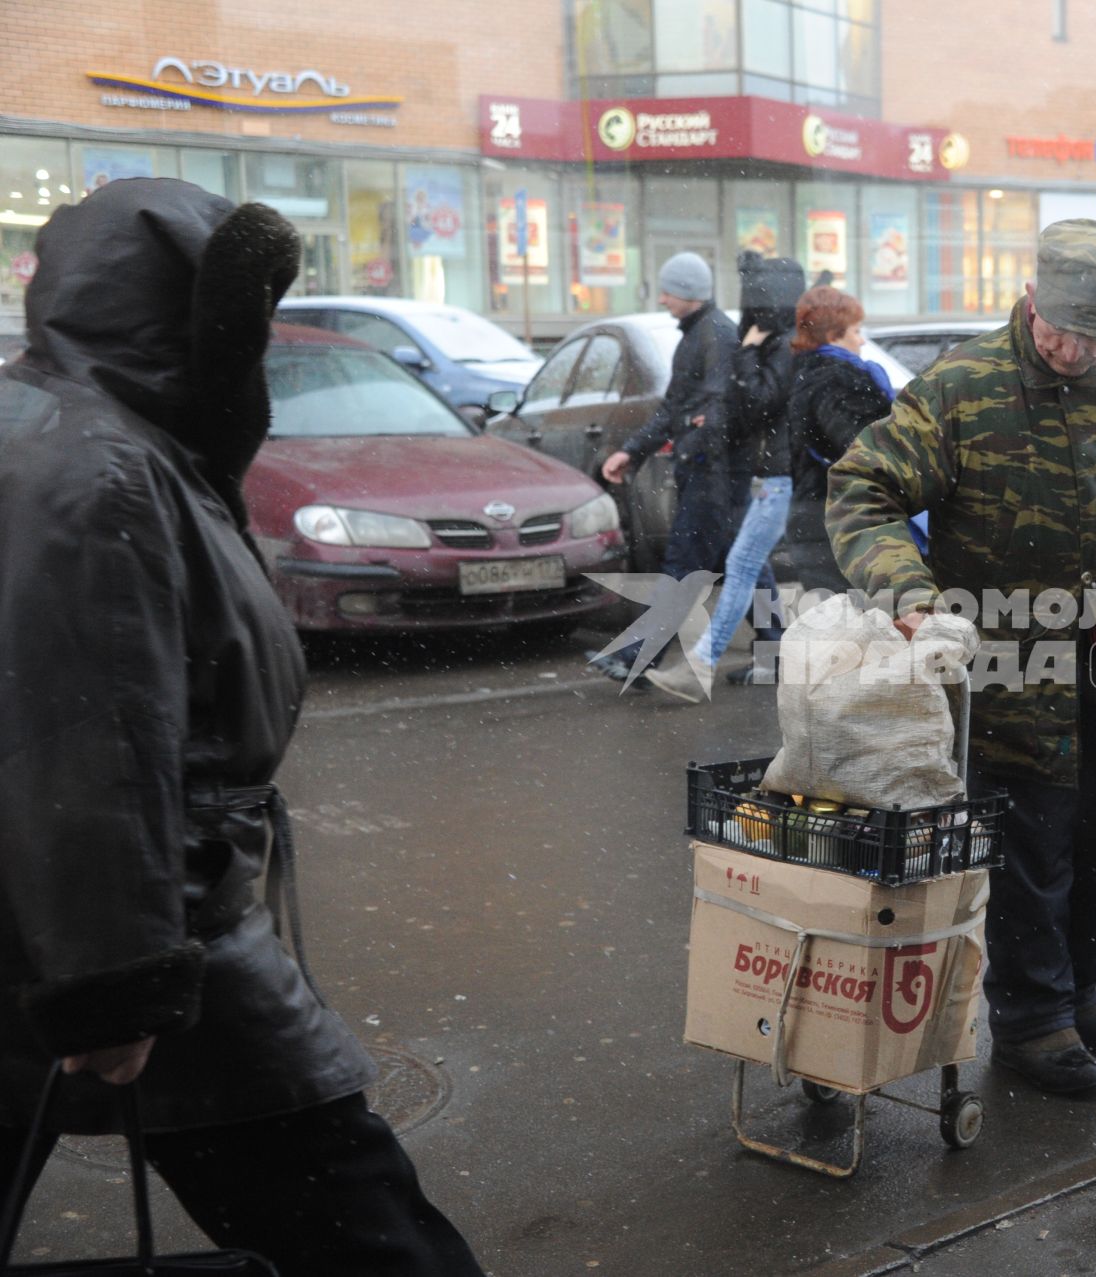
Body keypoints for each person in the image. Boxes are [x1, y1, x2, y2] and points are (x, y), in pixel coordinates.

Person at [0, 178, 483, 1276]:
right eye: (250, 304)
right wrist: (118, 983)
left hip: (90, 915)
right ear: (182, 309)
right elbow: (81, 742)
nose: (263, 332)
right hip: (152, 922)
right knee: (363, 1227)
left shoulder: (91, 434)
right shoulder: (99, 470)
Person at [828, 220, 1096, 1094]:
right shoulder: (966, 386)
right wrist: (909, 595)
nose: (1074, 350)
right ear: (1031, 297)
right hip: (1010, 665)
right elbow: (863, 487)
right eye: (1059, 329)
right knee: (1032, 844)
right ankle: (1032, 1019)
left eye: (1093, 334)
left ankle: (1082, 993)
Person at [647, 253, 805, 701]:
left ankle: (701, 665)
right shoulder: (780, 340)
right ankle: (771, 656)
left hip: (783, 477)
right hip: (775, 476)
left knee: (741, 567)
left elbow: (758, 402)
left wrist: (750, 350)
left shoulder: (780, 344)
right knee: (746, 566)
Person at [594, 251, 738, 682]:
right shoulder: (697, 336)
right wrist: (633, 451)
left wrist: (693, 444)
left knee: (682, 566)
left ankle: (637, 658)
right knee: (748, 568)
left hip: (713, 475)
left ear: (689, 292)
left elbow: (717, 411)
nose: (662, 299)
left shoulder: (715, 337)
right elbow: (676, 408)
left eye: (668, 291)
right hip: (711, 473)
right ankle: (777, 654)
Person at [784, 285, 895, 595]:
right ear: (834, 335)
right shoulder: (840, 382)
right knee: (862, 632)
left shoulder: (805, 375)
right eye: (856, 331)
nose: (861, 340)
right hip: (843, 527)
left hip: (816, 520)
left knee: (839, 630)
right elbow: (867, 452)